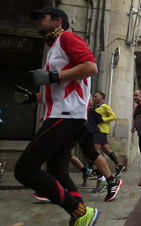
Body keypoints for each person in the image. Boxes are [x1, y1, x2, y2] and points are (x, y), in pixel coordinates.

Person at [14, 7, 100, 226]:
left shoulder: (67, 38)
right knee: (56, 170)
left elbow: (91, 67)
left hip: (67, 115)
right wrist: (34, 98)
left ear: (57, 21)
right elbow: (62, 89)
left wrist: (53, 75)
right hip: (66, 113)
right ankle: (81, 215)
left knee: (24, 170)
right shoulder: (54, 47)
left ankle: (81, 213)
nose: (38, 22)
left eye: (42, 18)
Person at [93, 91, 125, 177]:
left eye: (96, 96)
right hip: (99, 131)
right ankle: (119, 165)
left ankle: (100, 172)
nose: (94, 98)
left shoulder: (104, 106)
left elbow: (113, 116)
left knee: (94, 151)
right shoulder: (96, 108)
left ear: (101, 98)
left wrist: (103, 120)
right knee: (106, 149)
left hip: (101, 131)